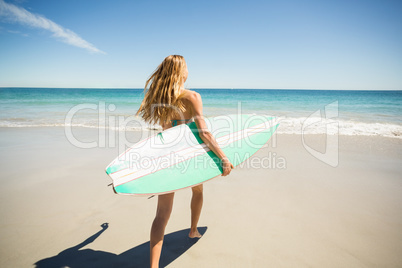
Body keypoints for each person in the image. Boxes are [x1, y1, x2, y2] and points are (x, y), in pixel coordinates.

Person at [136, 55, 234, 268]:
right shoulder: (192, 97)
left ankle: (153, 266)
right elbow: (204, 133)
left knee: (161, 214)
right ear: (181, 72)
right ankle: (193, 230)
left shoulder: (162, 99)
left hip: (166, 158)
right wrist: (223, 158)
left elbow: (166, 132)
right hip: (190, 157)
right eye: (187, 67)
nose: (189, 70)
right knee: (197, 191)